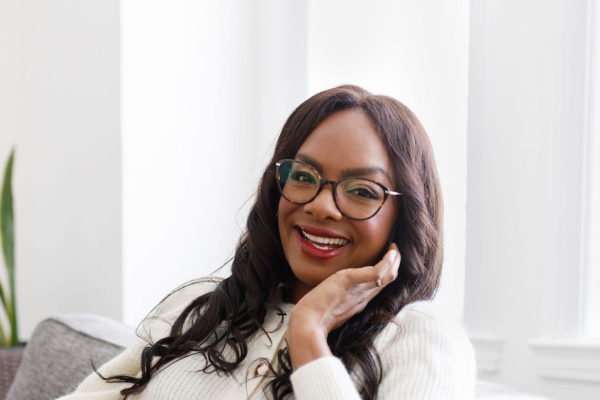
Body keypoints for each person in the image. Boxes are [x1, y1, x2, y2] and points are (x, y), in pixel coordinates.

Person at [57, 85, 475, 400]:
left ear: (404, 219)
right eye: (303, 177)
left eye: (362, 190)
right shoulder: (200, 306)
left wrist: (309, 332)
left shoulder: (422, 338)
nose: (322, 206)